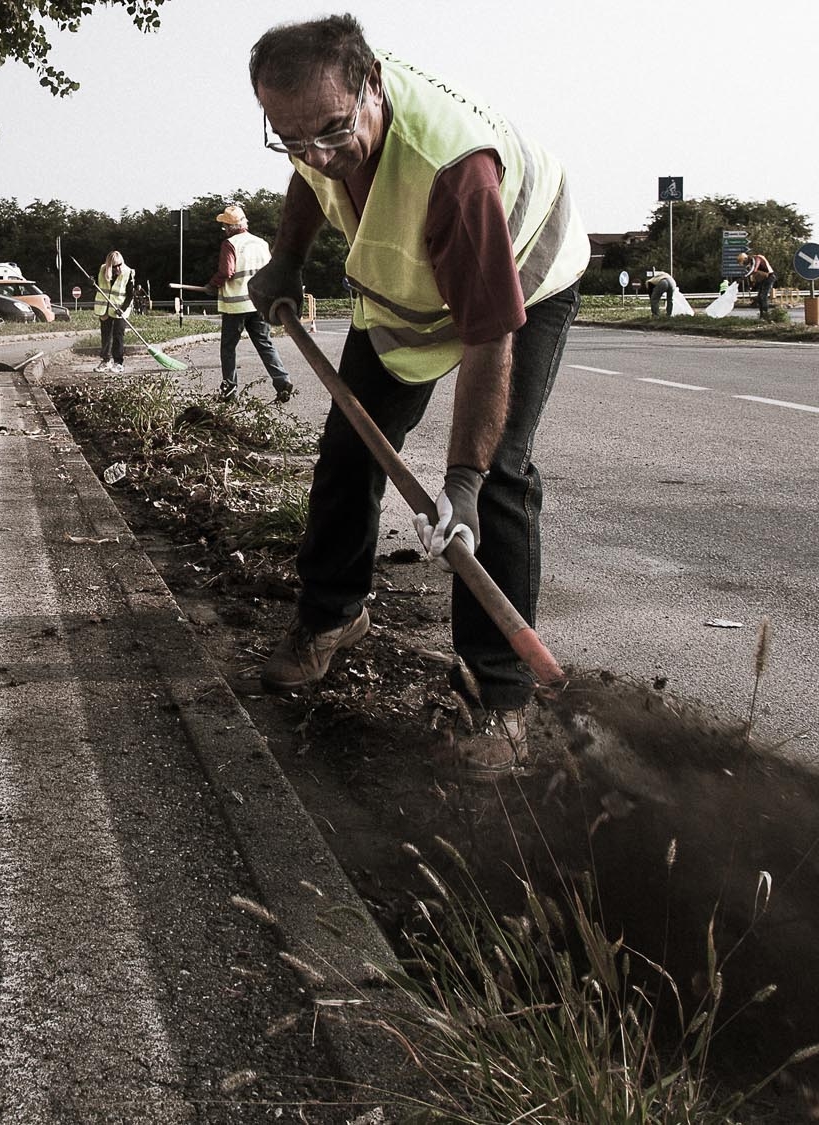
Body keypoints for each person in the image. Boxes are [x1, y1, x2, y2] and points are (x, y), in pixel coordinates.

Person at [246, 15, 590, 764]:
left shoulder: (452, 170)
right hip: (413, 290)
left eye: (334, 132)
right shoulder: (317, 119)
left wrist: (459, 483)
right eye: (292, 139)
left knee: (499, 480)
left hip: (522, 263)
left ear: (371, 85)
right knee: (349, 444)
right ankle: (333, 614)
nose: (318, 155)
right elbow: (308, 176)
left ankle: (497, 697)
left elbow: (488, 338)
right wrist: (287, 261)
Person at [208, 204, 298, 403]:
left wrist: (212, 285)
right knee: (265, 344)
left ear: (229, 227)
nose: (223, 228)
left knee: (228, 348)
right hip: (258, 303)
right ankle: (282, 380)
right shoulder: (260, 243)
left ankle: (229, 391)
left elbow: (226, 272)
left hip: (236, 306)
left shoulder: (230, 244)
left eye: (224, 225)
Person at [94, 250, 134, 372]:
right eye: (114, 266)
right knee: (106, 335)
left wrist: (123, 309)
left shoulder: (128, 272)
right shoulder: (102, 269)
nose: (117, 268)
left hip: (120, 310)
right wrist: (91, 282)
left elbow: (130, 295)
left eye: (119, 265)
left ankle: (118, 362)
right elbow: (97, 284)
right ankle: (106, 361)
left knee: (118, 336)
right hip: (104, 308)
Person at [736, 250, 775, 319]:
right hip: (763, 279)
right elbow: (753, 276)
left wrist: (743, 278)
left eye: (744, 263)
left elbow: (754, 270)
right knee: (760, 297)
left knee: (763, 296)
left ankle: (766, 316)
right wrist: (751, 286)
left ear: (746, 258)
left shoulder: (756, 258)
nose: (745, 264)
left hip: (769, 277)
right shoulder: (751, 263)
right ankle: (762, 315)